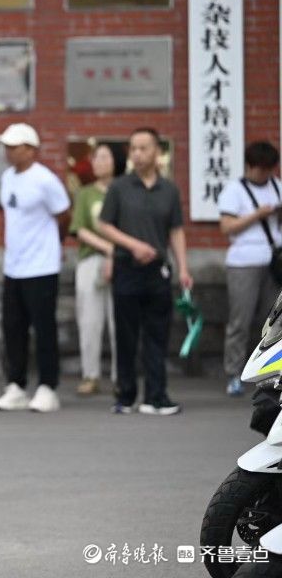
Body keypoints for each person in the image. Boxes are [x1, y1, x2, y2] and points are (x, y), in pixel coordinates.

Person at [98, 127, 192, 416]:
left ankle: (156, 396)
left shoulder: (169, 190)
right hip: (127, 268)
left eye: (143, 148)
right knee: (126, 334)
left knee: (157, 334)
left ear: (157, 152)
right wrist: (134, 245)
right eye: (133, 148)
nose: (137, 154)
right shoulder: (119, 188)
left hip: (158, 272)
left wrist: (184, 268)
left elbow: (176, 230)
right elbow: (104, 225)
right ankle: (125, 396)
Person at [0, 123, 70, 413]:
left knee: (44, 328)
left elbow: (64, 216)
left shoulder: (45, 180)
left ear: (31, 149)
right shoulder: (7, 177)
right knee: (13, 328)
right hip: (14, 265)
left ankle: (49, 386)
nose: (8, 152)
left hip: (42, 266)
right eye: (6, 146)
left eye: (14, 146)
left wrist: (54, 245)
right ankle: (16, 385)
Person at [217, 141, 282, 396]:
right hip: (243, 262)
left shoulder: (277, 185)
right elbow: (226, 227)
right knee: (240, 320)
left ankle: (269, 376)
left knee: (273, 323)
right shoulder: (234, 190)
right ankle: (234, 373)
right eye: (261, 170)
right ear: (250, 166)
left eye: (269, 169)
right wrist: (257, 214)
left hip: (274, 262)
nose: (265, 175)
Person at [69, 143, 127, 395]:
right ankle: (90, 375)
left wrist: (116, 254)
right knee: (89, 321)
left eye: (104, 157)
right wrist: (108, 249)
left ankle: (120, 377)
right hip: (91, 260)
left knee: (121, 321)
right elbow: (79, 229)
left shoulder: (126, 191)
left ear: (116, 160)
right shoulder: (85, 194)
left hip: (124, 261)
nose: (97, 162)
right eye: (96, 157)